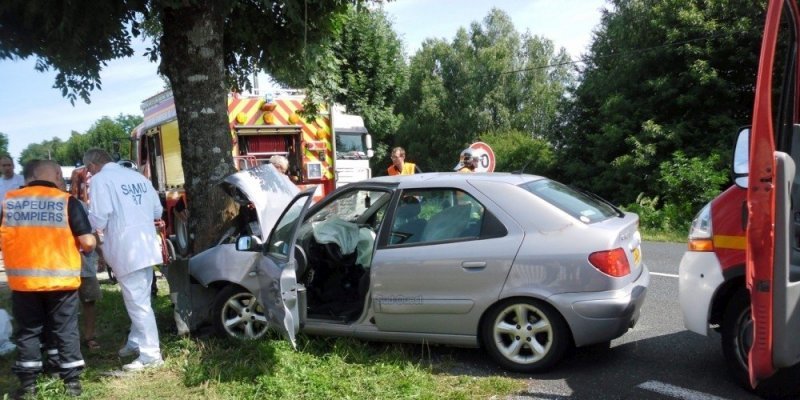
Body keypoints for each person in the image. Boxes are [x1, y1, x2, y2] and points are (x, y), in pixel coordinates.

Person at [1, 159, 96, 397]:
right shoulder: (66, 201)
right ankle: (72, 383)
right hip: (61, 281)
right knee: (65, 329)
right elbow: (87, 242)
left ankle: (29, 385)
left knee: (29, 330)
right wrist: (92, 244)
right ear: (55, 174)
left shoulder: (9, 203)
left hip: (24, 283)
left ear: (28, 177)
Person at [82, 148, 164, 371]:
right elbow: (158, 211)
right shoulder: (137, 176)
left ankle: (151, 354)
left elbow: (99, 217)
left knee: (138, 303)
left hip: (126, 248)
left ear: (91, 166)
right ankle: (136, 341)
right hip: (146, 245)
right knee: (141, 297)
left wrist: (84, 223)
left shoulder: (100, 180)